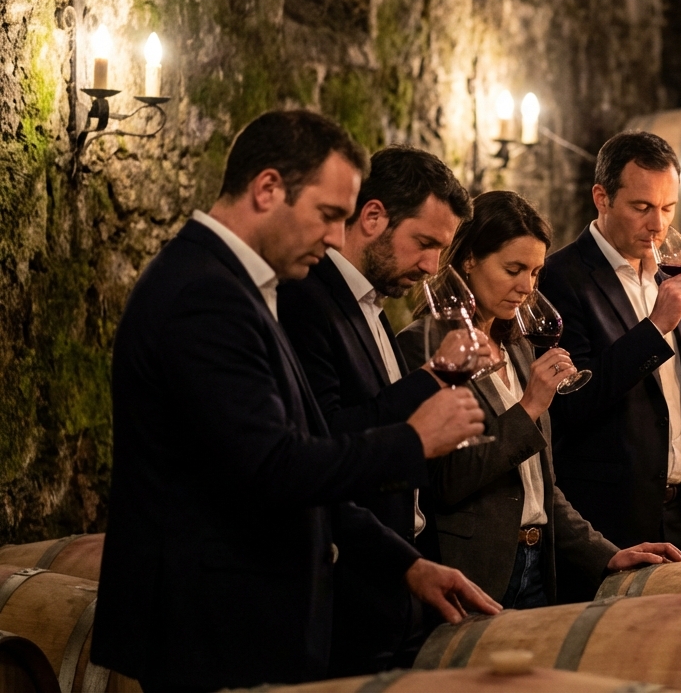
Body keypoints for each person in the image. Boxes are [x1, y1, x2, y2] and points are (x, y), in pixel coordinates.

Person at [91, 110, 501, 692]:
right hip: (215, 630)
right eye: (329, 215)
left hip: (239, 627)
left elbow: (299, 458)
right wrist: (414, 439)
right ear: (267, 190)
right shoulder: (204, 295)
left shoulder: (239, 288)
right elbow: (274, 467)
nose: (338, 237)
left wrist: (405, 563)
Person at [395, 190, 681, 608]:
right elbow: (447, 482)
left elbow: (541, 487)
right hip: (474, 572)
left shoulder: (517, 346)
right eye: (513, 269)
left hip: (538, 565)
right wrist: (530, 407)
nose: (525, 288)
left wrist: (605, 554)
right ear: (468, 260)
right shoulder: (424, 348)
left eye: (534, 273)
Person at [276, 145, 474, 675]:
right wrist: (431, 383)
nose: (432, 267)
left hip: (395, 572)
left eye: (441, 250)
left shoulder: (369, 306)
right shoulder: (308, 302)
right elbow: (328, 438)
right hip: (350, 581)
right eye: (424, 243)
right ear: (372, 217)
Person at [540, 131, 681, 574]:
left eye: (668, 209)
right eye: (642, 207)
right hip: (611, 522)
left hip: (679, 514)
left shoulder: (666, 272)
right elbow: (571, 404)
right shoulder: (562, 279)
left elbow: (674, 397)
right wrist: (655, 328)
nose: (658, 225)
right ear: (601, 197)